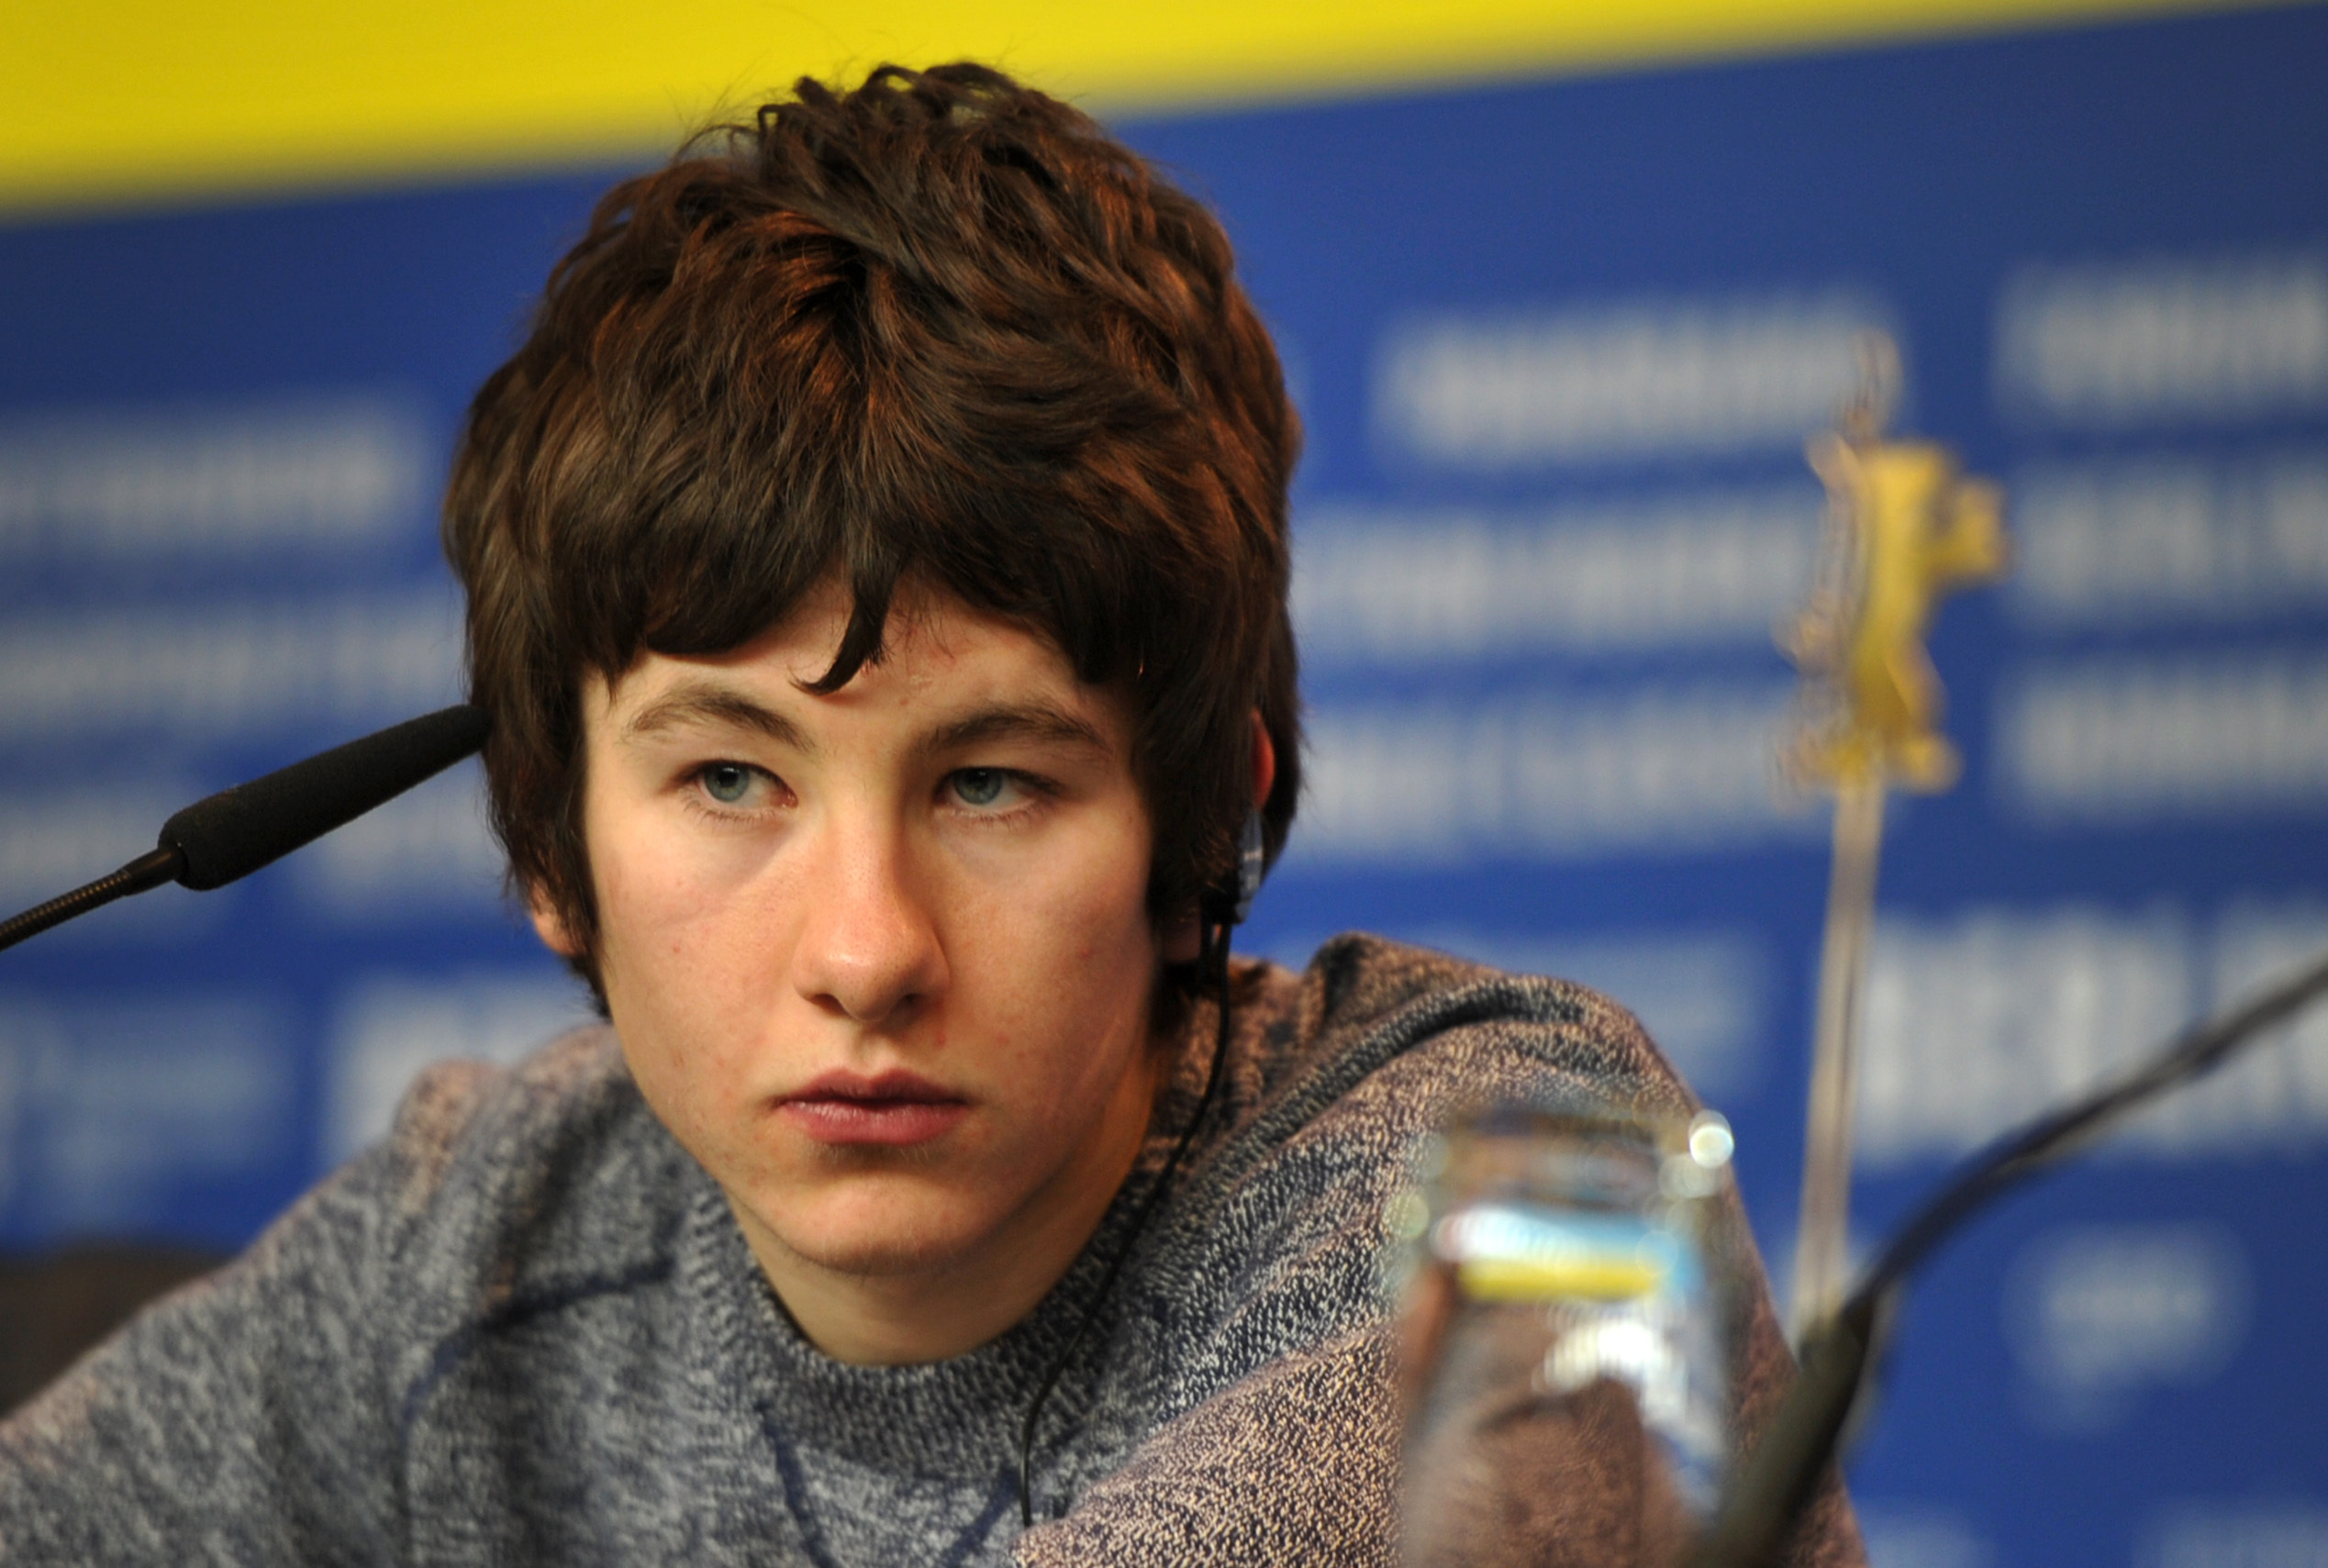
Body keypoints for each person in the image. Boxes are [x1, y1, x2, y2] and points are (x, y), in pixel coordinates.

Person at [0, 62, 1860, 1565]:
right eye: (731, 779)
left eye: (989, 783)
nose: (866, 952)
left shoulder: (1515, 1175)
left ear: (1199, 834)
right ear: (549, 846)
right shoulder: (478, 1249)